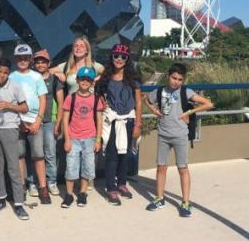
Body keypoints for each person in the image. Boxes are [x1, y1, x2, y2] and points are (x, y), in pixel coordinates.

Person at [145, 63, 213, 217]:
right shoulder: (159, 91)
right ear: (168, 76)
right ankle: (159, 198)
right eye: (174, 78)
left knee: (182, 168)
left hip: (180, 135)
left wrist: (189, 111)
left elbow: (208, 103)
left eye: (179, 79)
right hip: (163, 134)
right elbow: (146, 100)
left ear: (183, 80)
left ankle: (186, 202)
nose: (176, 81)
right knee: (161, 167)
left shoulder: (186, 92)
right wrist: (153, 110)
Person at [0, 58, 30, 220]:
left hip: (9, 129)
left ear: (9, 73)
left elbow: (25, 107)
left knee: (13, 167)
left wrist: (10, 105)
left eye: (5, 72)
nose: (2, 75)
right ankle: (1, 198)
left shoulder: (15, 86)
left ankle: (19, 203)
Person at [96, 44, 142, 206]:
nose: (119, 59)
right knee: (112, 155)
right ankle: (111, 187)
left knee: (125, 154)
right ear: (111, 57)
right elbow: (100, 93)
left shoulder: (133, 79)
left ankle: (122, 183)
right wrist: (104, 104)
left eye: (123, 57)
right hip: (113, 120)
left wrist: (138, 123)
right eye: (116, 56)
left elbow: (138, 101)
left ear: (128, 59)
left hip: (128, 119)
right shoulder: (106, 78)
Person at [9, 44, 51, 204]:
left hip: (34, 121)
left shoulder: (36, 77)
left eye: (26, 58)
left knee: (39, 156)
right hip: (17, 122)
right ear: (15, 59)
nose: (22, 60)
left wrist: (38, 120)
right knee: (19, 156)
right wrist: (17, 120)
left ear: (30, 59)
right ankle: (21, 187)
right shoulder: (11, 77)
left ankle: (43, 188)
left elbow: (42, 99)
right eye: (19, 58)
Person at [61, 67, 103, 208]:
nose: (85, 82)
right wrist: (67, 139)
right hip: (73, 137)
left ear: (92, 82)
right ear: (77, 80)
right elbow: (65, 120)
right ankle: (68, 194)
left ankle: (83, 193)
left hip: (90, 137)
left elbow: (99, 119)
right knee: (71, 166)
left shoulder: (96, 99)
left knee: (87, 166)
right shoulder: (70, 98)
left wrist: (98, 139)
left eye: (88, 80)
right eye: (82, 79)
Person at [32, 49, 64, 196]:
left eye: (43, 61)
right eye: (37, 62)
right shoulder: (31, 78)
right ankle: (33, 182)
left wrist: (58, 123)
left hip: (49, 120)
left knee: (50, 153)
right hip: (33, 121)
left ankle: (51, 181)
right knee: (34, 153)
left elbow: (61, 102)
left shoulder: (55, 80)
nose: (40, 64)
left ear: (48, 63)